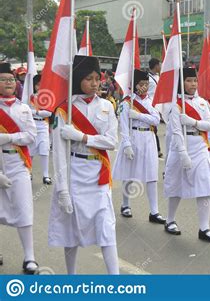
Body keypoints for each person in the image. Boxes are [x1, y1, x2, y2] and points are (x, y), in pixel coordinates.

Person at [48, 55, 119, 274]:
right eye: (89, 78)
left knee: (107, 228)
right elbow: (59, 153)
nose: (95, 83)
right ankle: (72, 276)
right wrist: (62, 190)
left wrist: (82, 137)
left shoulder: (107, 105)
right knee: (71, 230)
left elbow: (112, 141)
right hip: (74, 174)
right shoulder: (64, 110)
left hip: (98, 174)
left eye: (98, 78)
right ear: (78, 78)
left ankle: (115, 279)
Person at [163, 67, 210, 243]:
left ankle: (204, 228)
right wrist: (182, 154)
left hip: (200, 146)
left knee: (205, 185)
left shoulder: (202, 102)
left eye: (195, 80)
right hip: (181, 147)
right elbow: (175, 131)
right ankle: (170, 220)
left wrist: (193, 122)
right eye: (189, 80)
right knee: (176, 185)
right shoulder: (175, 104)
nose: (193, 84)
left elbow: (209, 125)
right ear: (182, 83)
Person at [112, 69, 166, 224]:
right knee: (128, 174)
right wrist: (127, 144)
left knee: (151, 175)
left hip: (148, 138)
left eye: (146, 84)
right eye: (141, 84)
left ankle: (154, 211)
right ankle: (125, 204)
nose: (144, 87)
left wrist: (139, 116)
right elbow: (123, 125)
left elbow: (156, 120)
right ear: (134, 85)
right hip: (133, 137)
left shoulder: (151, 101)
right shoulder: (126, 102)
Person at [0, 62, 39, 274]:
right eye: (4, 79)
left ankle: (29, 257)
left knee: (24, 209)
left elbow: (31, 136)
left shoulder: (23, 108)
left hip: (18, 164)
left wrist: (7, 137)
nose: (8, 83)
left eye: (11, 79)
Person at [28, 74, 52, 185]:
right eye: (37, 85)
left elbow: (49, 112)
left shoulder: (47, 97)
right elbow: (27, 111)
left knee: (44, 150)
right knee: (31, 150)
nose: (39, 87)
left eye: (41, 85)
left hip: (43, 125)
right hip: (33, 124)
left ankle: (46, 175)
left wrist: (36, 112)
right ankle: (29, 171)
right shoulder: (31, 97)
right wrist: (38, 112)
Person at [147, 58, 163, 158]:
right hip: (150, 105)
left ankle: (156, 149)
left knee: (154, 128)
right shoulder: (147, 78)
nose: (160, 66)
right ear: (156, 65)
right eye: (159, 64)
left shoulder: (158, 77)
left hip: (157, 106)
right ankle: (156, 149)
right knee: (153, 128)